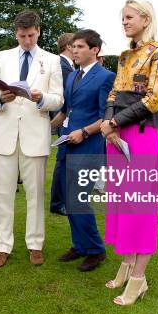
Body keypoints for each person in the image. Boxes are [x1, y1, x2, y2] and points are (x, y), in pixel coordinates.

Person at [99, 0, 158, 306]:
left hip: (140, 137)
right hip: (116, 135)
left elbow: (154, 99)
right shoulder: (126, 54)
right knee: (120, 204)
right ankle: (127, 266)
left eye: (129, 17)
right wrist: (107, 121)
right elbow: (115, 92)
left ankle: (139, 279)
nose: (124, 22)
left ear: (145, 18)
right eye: (122, 18)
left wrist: (115, 120)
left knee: (139, 208)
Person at [0, 9, 64, 268]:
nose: (27, 41)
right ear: (16, 33)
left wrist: (41, 98)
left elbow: (59, 98)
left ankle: (35, 244)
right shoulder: (2, 57)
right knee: (3, 194)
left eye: (31, 35)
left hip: (35, 133)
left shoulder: (52, 60)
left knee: (35, 194)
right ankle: (2, 245)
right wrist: (0, 98)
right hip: (5, 132)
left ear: (39, 31)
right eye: (22, 36)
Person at [50, 29, 114, 271]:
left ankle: (96, 250)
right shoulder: (72, 76)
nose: (74, 50)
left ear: (95, 50)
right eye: (73, 47)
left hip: (89, 145)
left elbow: (105, 117)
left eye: (80, 47)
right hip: (67, 144)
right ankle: (80, 245)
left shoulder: (107, 76)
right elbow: (66, 110)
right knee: (69, 198)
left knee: (79, 198)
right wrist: (46, 126)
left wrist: (84, 132)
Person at [50, 32, 75, 216]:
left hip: (65, 117)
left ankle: (61, 200)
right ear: (68, 47)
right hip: (64, 118)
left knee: (65, 159)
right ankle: (58, 202)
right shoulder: (63, 67)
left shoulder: (67, 66)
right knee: (63, 159)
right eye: (76, 46)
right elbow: (67, 96)